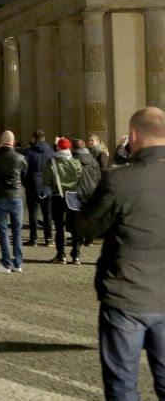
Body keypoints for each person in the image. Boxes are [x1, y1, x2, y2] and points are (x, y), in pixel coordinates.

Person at [77, 107, 165, 398]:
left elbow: (86, 227)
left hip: (126, 294)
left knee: (122, 384)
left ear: (134, 137)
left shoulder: (121, 180)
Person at [0, 130, 27, 273]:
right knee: (17, 231)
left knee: (3, 231)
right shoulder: (20, 157)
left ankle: (6, 264)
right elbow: (25, 169)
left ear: (0, 142)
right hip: (16, 196)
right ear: (13, 142)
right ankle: (18, 263)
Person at [44, 137, 83, 265]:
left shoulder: (52, 162)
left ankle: (61, 255)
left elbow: (47, 181)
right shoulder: (76, 162)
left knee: (59, 227)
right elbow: (80, 178)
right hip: (73, 196)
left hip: (58, 196)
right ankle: (76, 255)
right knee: (76, 226)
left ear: (58, 148)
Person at [22, 130, 54, 247]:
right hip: (47, 186)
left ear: (34, 138)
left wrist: (26, 184)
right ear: (44, 139)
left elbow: (23, 171)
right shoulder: (51, 152)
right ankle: (49, 238)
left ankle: (33, 238)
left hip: (33, 185)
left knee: (33, 213)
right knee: (48, 214)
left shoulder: (28, 152)